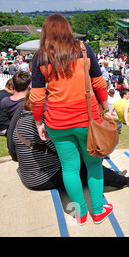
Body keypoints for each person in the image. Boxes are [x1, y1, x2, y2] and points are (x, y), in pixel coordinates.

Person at [30, 14, 112, 225]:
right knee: (94, 164)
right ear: (68, 29)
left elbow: (37, 97)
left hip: (57, 122)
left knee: (69, 168)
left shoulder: (40, 57)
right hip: (88, 120)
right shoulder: (84, 49)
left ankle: (81, 213)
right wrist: (106, 109)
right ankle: (98, 210)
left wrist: (39, 123)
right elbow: (99, 83)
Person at [12, 91, 129, 191]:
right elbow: (64, 151)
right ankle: (122, 181)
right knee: (88, 166)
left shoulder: (23, 118)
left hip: (29, 174)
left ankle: (114, 174)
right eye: (47, 100)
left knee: (85, 161)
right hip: (41, 177)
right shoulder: (42, 123)